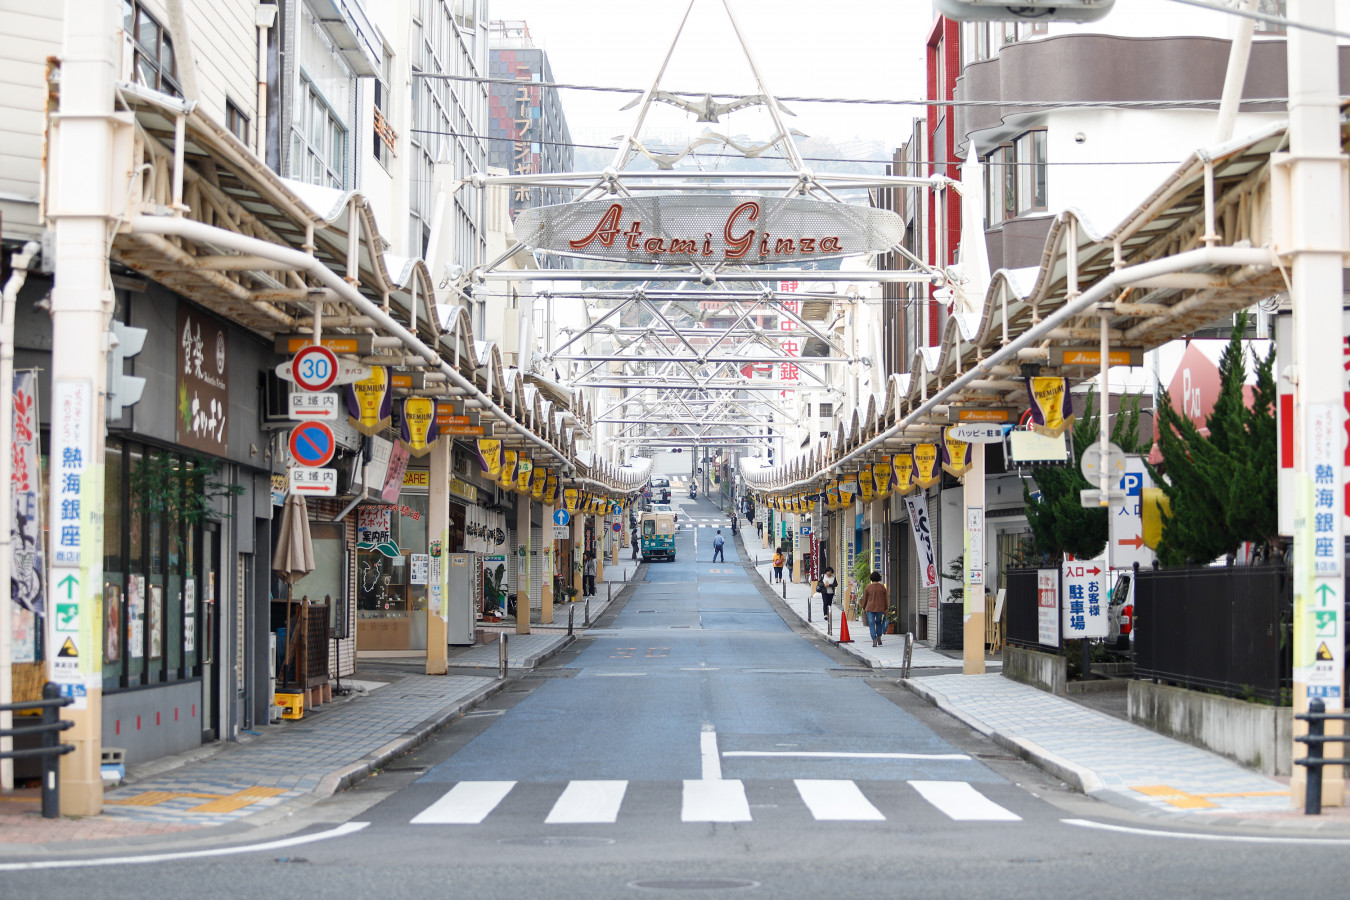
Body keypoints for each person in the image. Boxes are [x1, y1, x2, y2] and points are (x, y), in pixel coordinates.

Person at [861, 571, 888, 647]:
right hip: (880, 608)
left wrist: (863, 607)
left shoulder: (868, 587)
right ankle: (879, 637)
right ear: (879, 578)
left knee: (871, 623)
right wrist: (886, 608)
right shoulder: (882, 587)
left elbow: (865, 599)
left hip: (870, 608)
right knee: (878, 622)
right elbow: (885, 599)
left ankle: (874, 639)